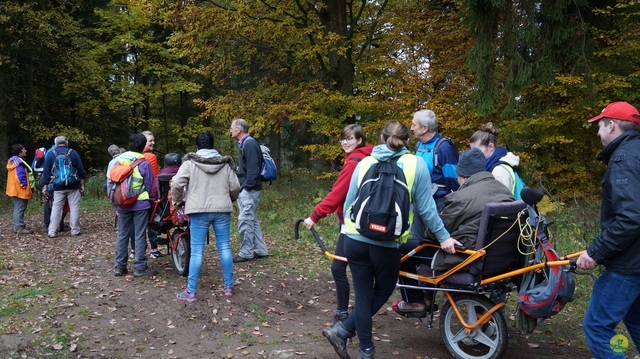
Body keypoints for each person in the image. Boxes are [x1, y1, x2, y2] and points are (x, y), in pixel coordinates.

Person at [323, 121, 458, 359]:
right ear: (408, 141)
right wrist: (444, 237)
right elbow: (427, 210)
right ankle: (343, 332)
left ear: (382, 138)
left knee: (363, 295)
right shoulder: (415, 164)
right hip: (387, 241)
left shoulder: (364, 162)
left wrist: (348, 233)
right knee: (383, 289)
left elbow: (349, 203)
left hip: (355, 236)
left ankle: (364, 350)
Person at [576, 101, 640, 359]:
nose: (598, 132)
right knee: (635, 321)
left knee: (597, 327)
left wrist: (595, 252)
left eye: (600, 126)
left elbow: (632, 217)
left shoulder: (624, 159)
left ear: (612, 125)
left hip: (628, 266)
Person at [303, 124, 373, 328]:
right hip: (368, 221)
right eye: (343, 139)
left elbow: (337, 194)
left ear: (360, 140)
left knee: (339, 267)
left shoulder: (353, 162)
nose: (345, 142)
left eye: (350, 138)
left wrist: (314, 216)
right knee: (362, 269)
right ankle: (360, 311)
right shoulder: (369, 157)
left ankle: (344, 312)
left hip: (352, 223)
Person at [172, 132, 240, 301]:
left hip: (198, 211)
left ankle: (191, 291)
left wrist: (178, 201)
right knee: (224, 247)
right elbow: (236, 186)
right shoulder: (225, 164)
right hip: (222, 210)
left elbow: (177, 184)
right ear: (213, 144)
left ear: (197, 146)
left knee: (197, 251)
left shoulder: (189, 163)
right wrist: (229, 199)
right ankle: (228, 287)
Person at [111, 134, 158, 277]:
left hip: (122, 203)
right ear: (143, 146)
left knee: (123, 234)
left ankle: (120, 267)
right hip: (140, 204)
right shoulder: (143, 163)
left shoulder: (118, 161)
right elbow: (150, 186)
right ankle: (140, 267)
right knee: (139, 234)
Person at [230, 118, 269, 262]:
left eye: (232, 128)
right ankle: (260, 249)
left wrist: (246, 187)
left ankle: (246, 252)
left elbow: (253, 169)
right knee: (251, 219)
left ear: (239, 130)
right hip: (247, 188)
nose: (231, 130)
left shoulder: (250, 143)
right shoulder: (245, 143)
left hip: (249, 189)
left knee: (245, 219)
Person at [410, 109, 459, 212]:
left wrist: (452, 207)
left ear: (424, 128)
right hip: (419, 200)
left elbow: (452, 179)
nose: (411, 128)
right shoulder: (419, 145)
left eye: (414, 125)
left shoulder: (444, 147)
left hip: (438, 203)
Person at [41, 136, 85, 238]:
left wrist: (45, 186)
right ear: (67, 142)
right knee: (74, 207)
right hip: (73, 185)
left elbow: (46, 172)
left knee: (56, 208)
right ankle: (75, 230)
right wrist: (82, 184)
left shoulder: (51, 154)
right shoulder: (73, 153)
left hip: (57, 186)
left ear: (55, 143)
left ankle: (52, 231)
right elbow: (81, 170)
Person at [469, 122, 521, 195]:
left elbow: (501, 203)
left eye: (477, 150)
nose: (473, 154)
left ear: (491, 147)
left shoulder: (499, 172)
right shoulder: (496, 165)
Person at [141, 131, 164, 258]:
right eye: (150, 141)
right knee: (152, 222)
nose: (153, 143)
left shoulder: (135, 156)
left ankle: (134, 251)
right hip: (150, 195)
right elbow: (156, 178)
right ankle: (154, 250)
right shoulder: (151, 157)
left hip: (135, 195)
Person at [6, 144, 34, 235]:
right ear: (19, 152)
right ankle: (19, 228)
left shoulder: (13, 161)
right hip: (20, 189)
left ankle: (17, 227)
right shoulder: (18, 162)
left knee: (17, 208)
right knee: (20, 208)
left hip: (14, 188)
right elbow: (21, 175)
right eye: (23, 149)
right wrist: (24, 185)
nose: (25, 150)